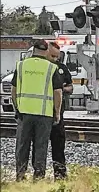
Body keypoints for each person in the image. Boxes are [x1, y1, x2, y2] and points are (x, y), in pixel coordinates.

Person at [11, 39, 63, 181]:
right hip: (44, 114)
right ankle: (38, 177)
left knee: (22, 146)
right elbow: (58, 92)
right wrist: (57, 112)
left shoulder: (21, 66)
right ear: (46, 51)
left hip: (24, 113)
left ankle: (20, 176)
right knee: (40, 146)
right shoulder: (51, 68)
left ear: (33, 50)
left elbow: (13, 90)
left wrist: (17, 107)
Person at [47, 41, 73, 180]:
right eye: (52, 56)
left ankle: (60, 174)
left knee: (58, 146)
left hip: (58, 113)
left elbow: (70, 87)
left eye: (57, 57)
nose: (55, 59)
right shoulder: (43, 68)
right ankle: (38, 174)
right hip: (42, 112)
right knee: (39, 146)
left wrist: (60, 89)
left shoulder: (62, 68)